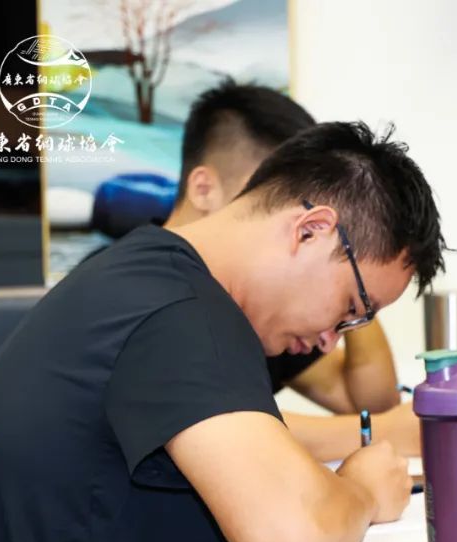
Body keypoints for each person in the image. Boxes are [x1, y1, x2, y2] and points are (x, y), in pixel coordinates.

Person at [0, 121, 446, 542]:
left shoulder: (145, 277)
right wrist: (364, 490)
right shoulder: (181, 312)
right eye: (350, 309)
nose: (331, 338)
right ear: (311, 231)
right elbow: (292, 535)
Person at [162, 80, 417, 462]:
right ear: (203, 189)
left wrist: (352, 276)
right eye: (263, 193)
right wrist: (377, 433)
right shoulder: (154, 293)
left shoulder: (261, 309)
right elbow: (224, 431)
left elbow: (368, 400)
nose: (281, 214)